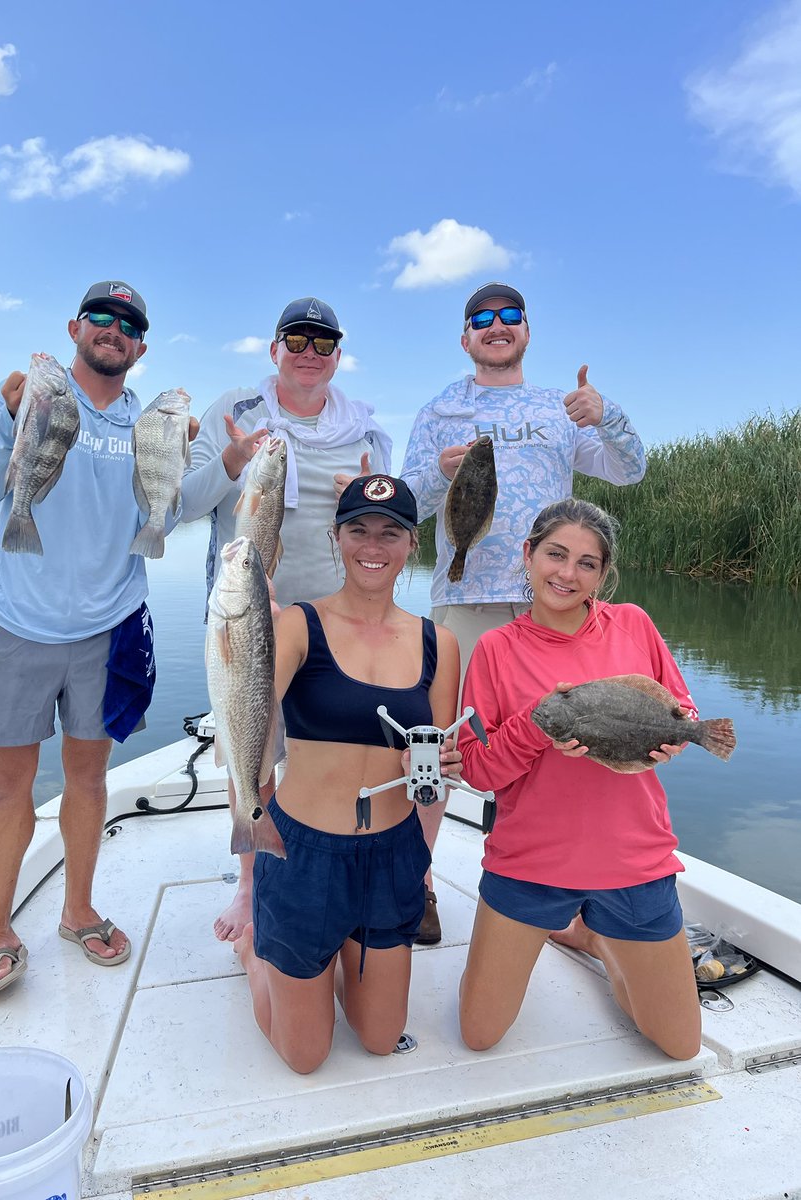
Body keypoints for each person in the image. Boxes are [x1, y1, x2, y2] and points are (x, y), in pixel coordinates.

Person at [0, 280, 194, 998]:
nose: (113, 328)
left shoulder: (146, 422)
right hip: (15, 621)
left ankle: (78, 908)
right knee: (7, 787)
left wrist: (193, 457)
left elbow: (169, 510)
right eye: (101, 316)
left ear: (141, 346)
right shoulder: (26, 395)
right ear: (74, 327)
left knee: (89, 778)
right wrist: (6, 412)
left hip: (108, 627)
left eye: (128, 323)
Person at [400, 281, 647, 942]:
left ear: (527, 331)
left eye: (510, 317)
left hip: (553, 605)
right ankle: (414, 883)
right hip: (466, 598)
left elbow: (631, 470)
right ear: (465, 338)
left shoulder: (561, 408)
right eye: (482, 319)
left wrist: (606, 414)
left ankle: (543, 889)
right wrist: (436, 475)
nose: (497, 326)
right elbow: (407, 507)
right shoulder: (439, 410)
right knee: (440, 747)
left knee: (546, 744)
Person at [456, 498, 702, 1061]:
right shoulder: (496, 648)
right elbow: (476, 768)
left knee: (681, 1045)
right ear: (528, 555)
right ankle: (573, 927)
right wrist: (537, 728)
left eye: (586, 563)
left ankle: (598, 941)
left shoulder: (634, 624)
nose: (567, 574)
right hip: (531, 861)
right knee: (480, 1034)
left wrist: (673, 737)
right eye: (556, 555)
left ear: (603, 574)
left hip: (632, 858)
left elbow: (679, 707)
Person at [181, 297, 392, 942]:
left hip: (335, 618)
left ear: (337, 355)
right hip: (249, 615)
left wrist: (364, 494)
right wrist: (232, 462)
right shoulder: (234, 412)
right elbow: (186, 504)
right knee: (253, 745)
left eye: (323, 344)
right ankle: (250, 883)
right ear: (274, 348)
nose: (309, 353)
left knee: (335, 747)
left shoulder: (367, 431)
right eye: (296, 340)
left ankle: (337, 865)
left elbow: (381, 531)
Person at [234, 475, 461, 1073]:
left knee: (380, 1039)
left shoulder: (440, 643)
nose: (373, 545)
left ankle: (320, 960)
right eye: (358, 529)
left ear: (413, 544)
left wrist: (437, 768)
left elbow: (432, 769)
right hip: (302, 852)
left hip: (391, 858)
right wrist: (243, 623)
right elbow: (248, 713)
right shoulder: (297, 626)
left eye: (391, 533)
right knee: (305, 1056)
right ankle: (255, 954)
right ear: (337, 538)